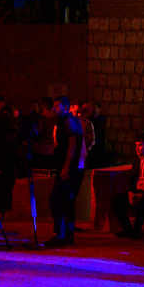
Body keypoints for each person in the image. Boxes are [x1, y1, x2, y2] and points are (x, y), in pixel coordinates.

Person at [45, 96, 86, 248]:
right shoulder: (62, 122)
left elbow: (72, 146)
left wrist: (66, 167)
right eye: (54, 106)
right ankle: (67, 235)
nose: (54, 109)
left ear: (65, 107)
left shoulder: (69, 121)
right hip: (66, 167)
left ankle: (61, 234)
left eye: (58, 106)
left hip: (70, 168)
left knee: (58, 200)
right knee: (65, 201)